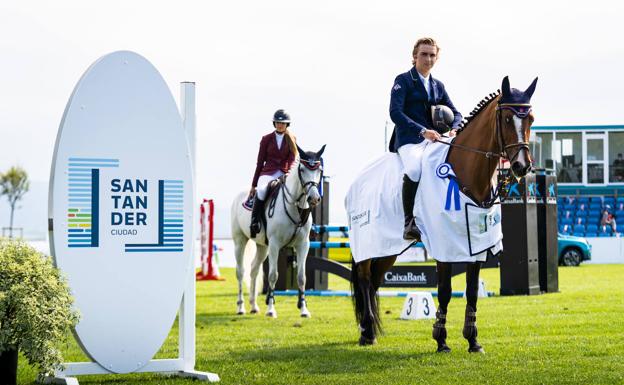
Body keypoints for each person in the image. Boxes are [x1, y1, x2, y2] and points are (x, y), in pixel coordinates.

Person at [389, 37, 462, 240]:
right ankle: (408, 222)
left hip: (434, 140)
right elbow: (395, 113)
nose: (428, 59)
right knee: (414, 168)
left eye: (432, 55)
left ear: (436, 58)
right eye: (424, 54)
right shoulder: (402, 81)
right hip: (410, 140)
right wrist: (422, 131)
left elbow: (456, 113)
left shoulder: (438, 85)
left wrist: (455, 128)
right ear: (414, 56)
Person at [249, 109, 297, 238]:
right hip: (268, 172)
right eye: (277, 122)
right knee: (262, 190)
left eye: (282, 123)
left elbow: (292, 160)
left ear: (287, 124)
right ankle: (254, 222)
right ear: (274, 123)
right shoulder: (266, 139)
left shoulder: (292, 139)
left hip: (284, 172)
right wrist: (254, 184)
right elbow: (259, 162)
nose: (279, 125)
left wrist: (288, 173)